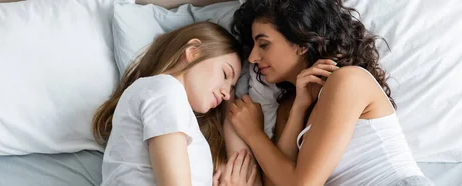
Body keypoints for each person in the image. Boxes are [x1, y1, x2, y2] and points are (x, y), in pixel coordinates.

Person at [225, 0, 435, 185]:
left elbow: (303, 184)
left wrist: (254, 134)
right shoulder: (289, 108)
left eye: (264, 44)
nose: (252, 57)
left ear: (300, 42)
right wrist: (299, 108)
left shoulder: (348, 80)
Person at [92, 22, 256, 186]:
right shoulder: (166, 89)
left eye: (232, 88)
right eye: (225, 74)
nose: (227, 94)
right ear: (194, 51)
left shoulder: (165, 97)